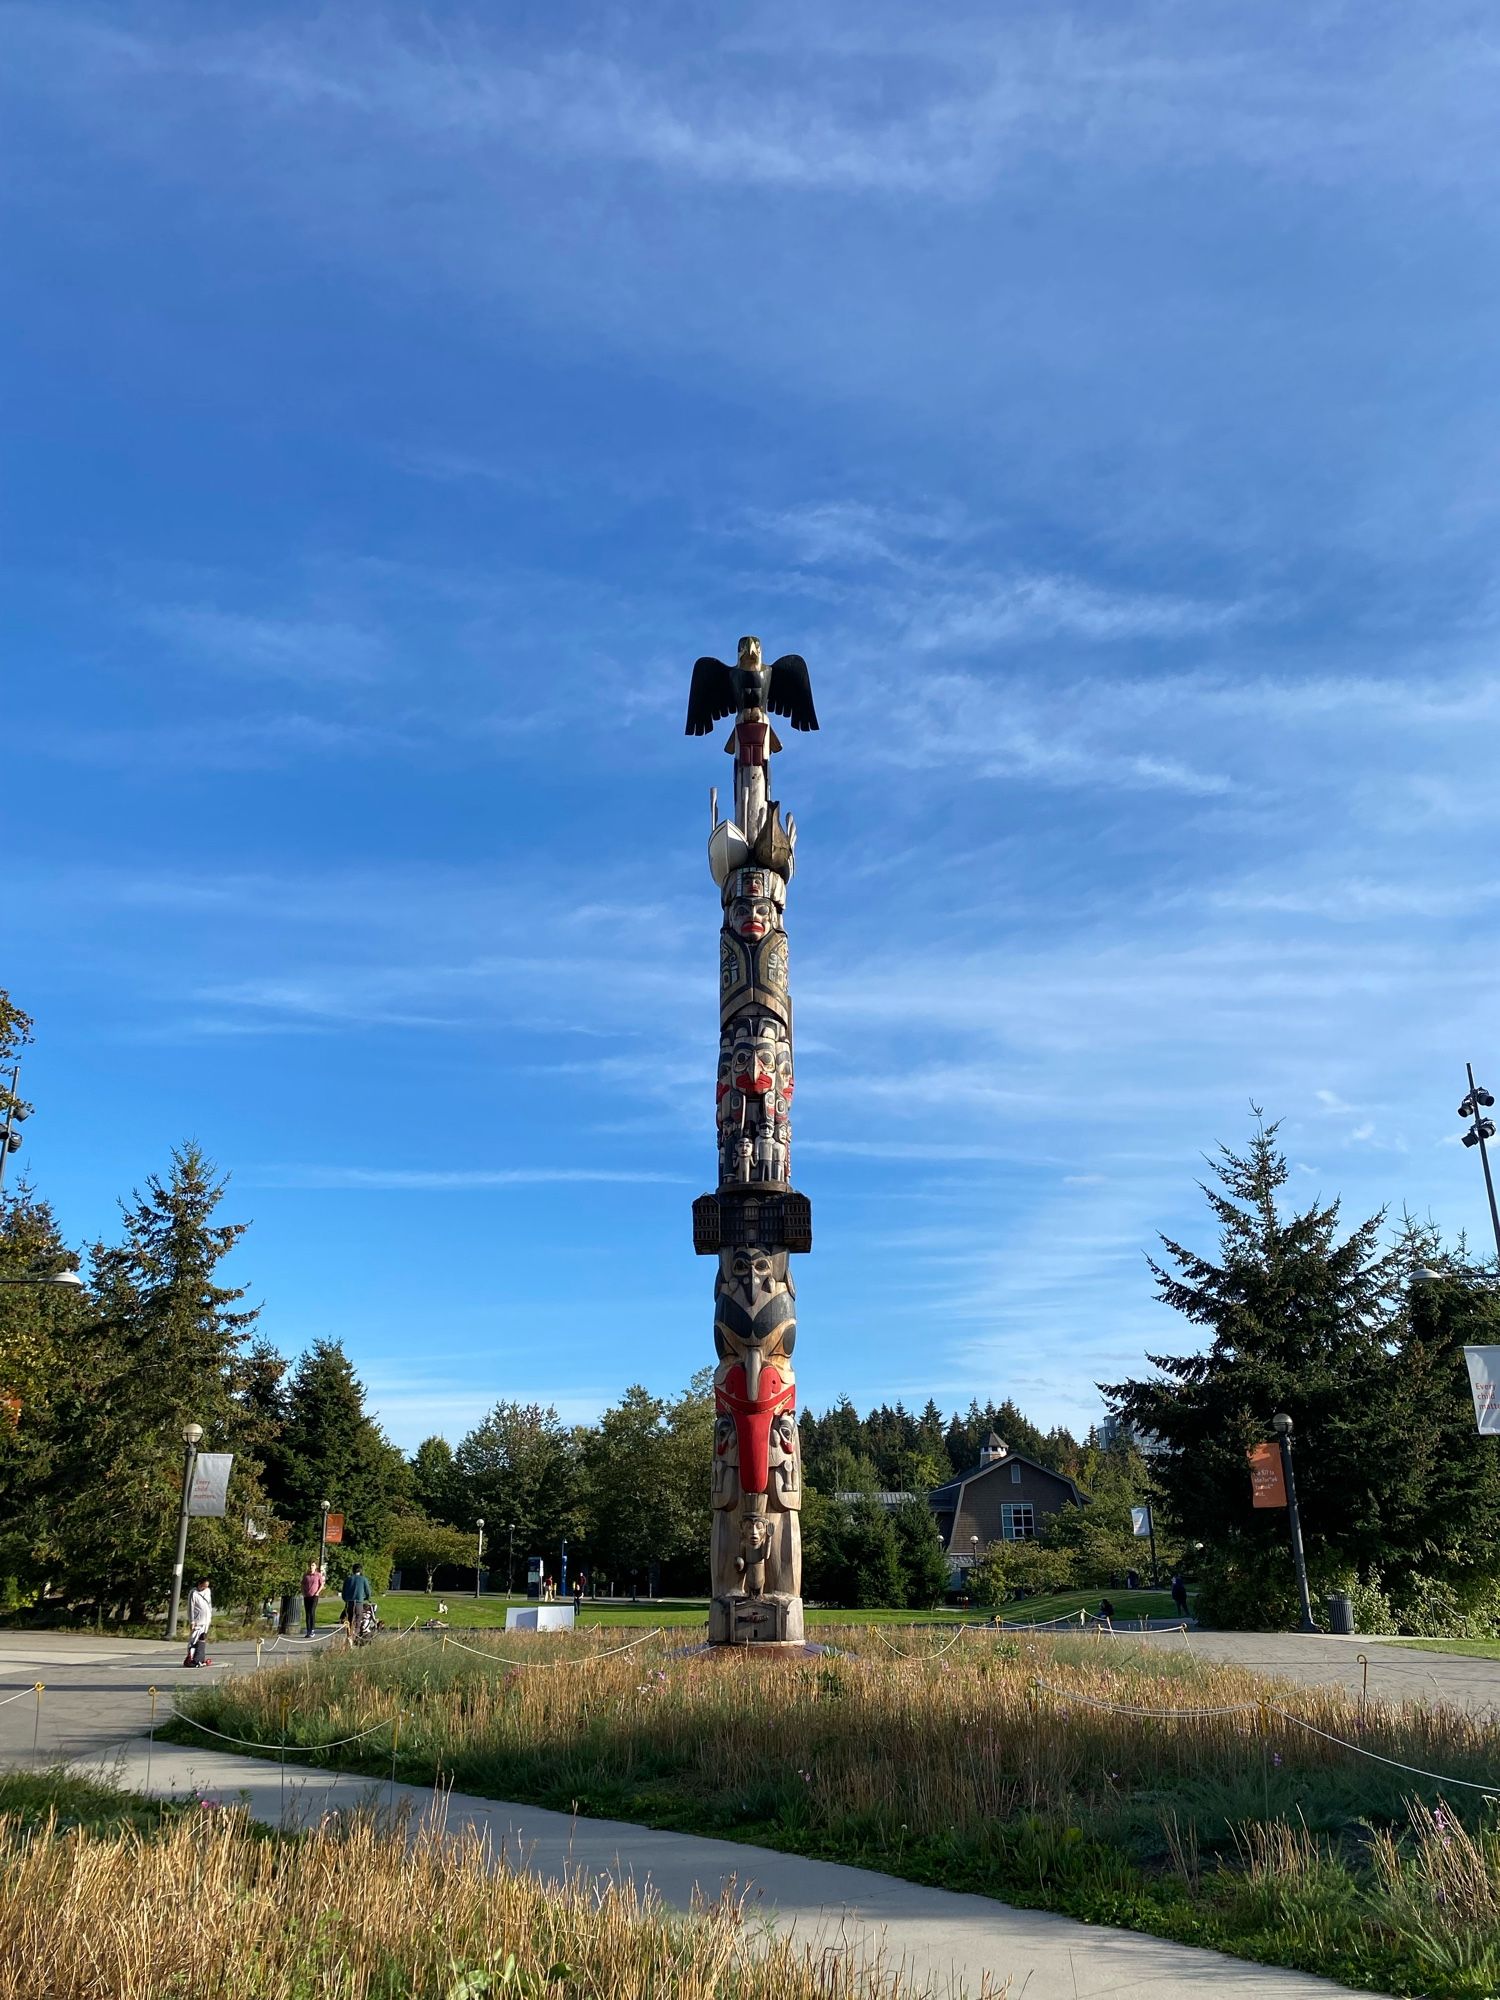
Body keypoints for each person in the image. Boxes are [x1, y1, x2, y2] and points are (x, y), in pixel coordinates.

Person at [185, 1577, 213, 1668]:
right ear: (199, 1584)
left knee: (202, 1637)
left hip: (206, 1620)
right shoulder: (193, 1593)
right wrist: (192, 1621)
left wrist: (210, 1616)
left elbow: (209, 1604)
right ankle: (191, 1658)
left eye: (207, 1586)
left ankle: (200, 1657)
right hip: (197, 1621)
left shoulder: (208, 1591)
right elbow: (191, 1608)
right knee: (194, 1640)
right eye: (204, 1586)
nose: (205, 1588)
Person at [340, 1564, 372, 1631]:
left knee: (350, 1621)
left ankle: (349, 1635)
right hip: (358, 1603)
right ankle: (354, 1637)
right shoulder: (363, 1579)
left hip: (349, 1603)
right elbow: (368, 1592)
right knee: (357, 1621)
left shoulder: (348, 1579)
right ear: (360, 1570)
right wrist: (367, 1598)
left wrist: (346, 1600)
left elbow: (343, 1593)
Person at [301, 1560, 325, 1638]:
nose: (311, 1567)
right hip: (307, 1596)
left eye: (313, 1565)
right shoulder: (306, 1575)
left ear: (316, 1567)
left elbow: (321, 1584)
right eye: (310, 1565)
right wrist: (303, 1593)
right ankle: (308, 1630)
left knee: (312, 1611)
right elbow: (302, 1584)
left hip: (314, 1596)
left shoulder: (318, 1575)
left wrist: (317, 1592)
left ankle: (312, 1630)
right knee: (307, 1613)